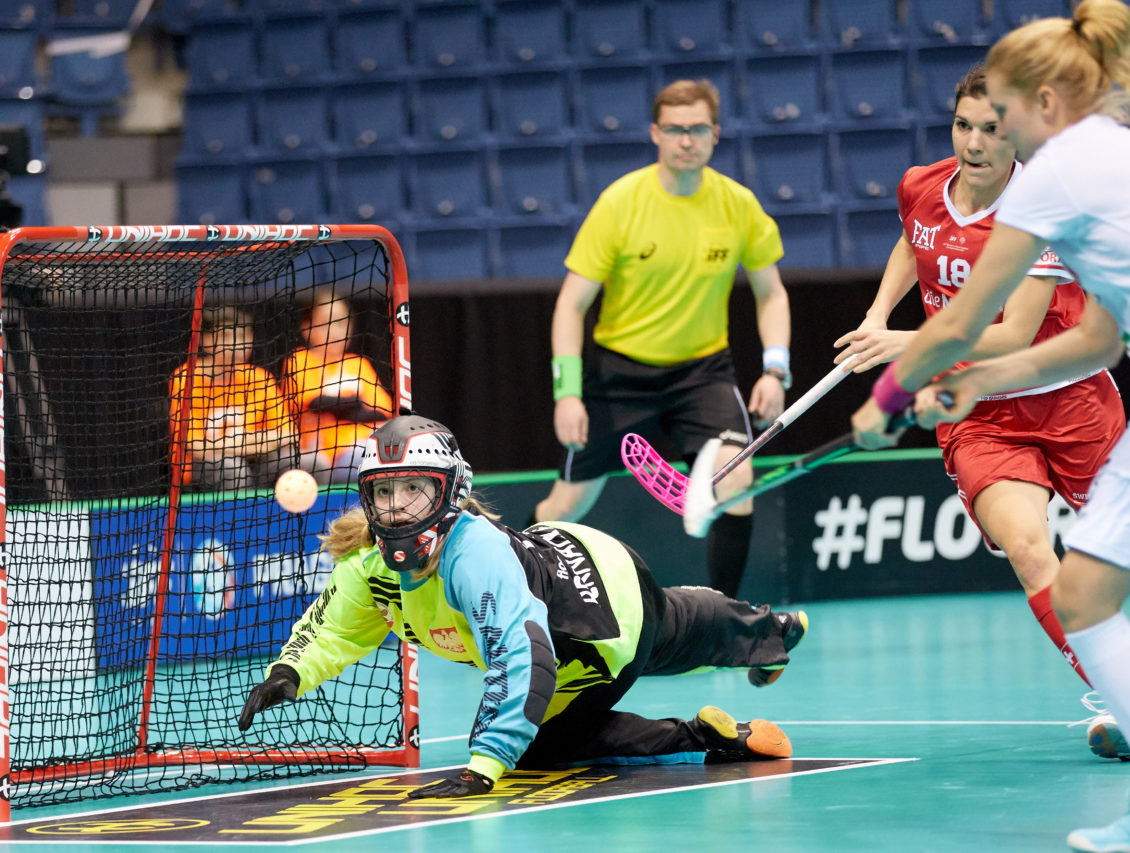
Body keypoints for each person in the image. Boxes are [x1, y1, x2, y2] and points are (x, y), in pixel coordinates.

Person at [850, 1, 1130, 849]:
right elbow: (1098, 339)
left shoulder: (1060, 174)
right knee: (1078, 594)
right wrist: (977, 386)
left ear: (1044, 104)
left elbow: (965, 319)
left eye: (1000, 112)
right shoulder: (1126, 159)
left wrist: (888, 399)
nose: (985, 135)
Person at [237, 415, 809, 796]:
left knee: (539, 749)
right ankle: (773, 631)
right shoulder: (367, 566)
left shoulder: (473, 555)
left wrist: (485, 766)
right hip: (586, 554)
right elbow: (335, 629)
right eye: (383, 492)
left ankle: (706, 736)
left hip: (591, 628)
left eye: (415, 489)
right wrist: (289, 672)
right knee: (669, 623)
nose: (398, 508)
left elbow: (524, 656)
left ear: (450, 492)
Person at [531, 78, 792, 600]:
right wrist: (567, 392)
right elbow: (571, 304)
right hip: (619, 372)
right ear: (656, 133)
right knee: (565, 506)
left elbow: (772, 294)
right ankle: (523, 591)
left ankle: (723, 618)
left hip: (702, 373)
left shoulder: (738, 205)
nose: (686, 140)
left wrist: (775, 368)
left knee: (736, 481)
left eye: (697, 128)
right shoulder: (621, 203)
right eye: (674, 129)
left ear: (715, 134)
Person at [168, 305, 298, 491]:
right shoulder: (186, 379)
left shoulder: (259, 377)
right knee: (234, 469)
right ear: (206, 340)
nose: (237, 345)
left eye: (243, 336)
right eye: (226, 337)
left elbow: (290, 434)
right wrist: (253, 442)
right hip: (204, 469)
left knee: (305, 460)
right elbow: (195, 447)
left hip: (256, 463)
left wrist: (236, 445)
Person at [280, 290, 394, 485]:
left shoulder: (358, 364)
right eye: (326, 323)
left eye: (341, 323)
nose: (335, 330)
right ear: (307, 328)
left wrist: (341, 408)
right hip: (326, 454)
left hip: (365, 442)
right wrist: (356, 404)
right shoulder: (298, 360)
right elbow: (313, 402)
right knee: (373, 460)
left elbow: (384, 410)